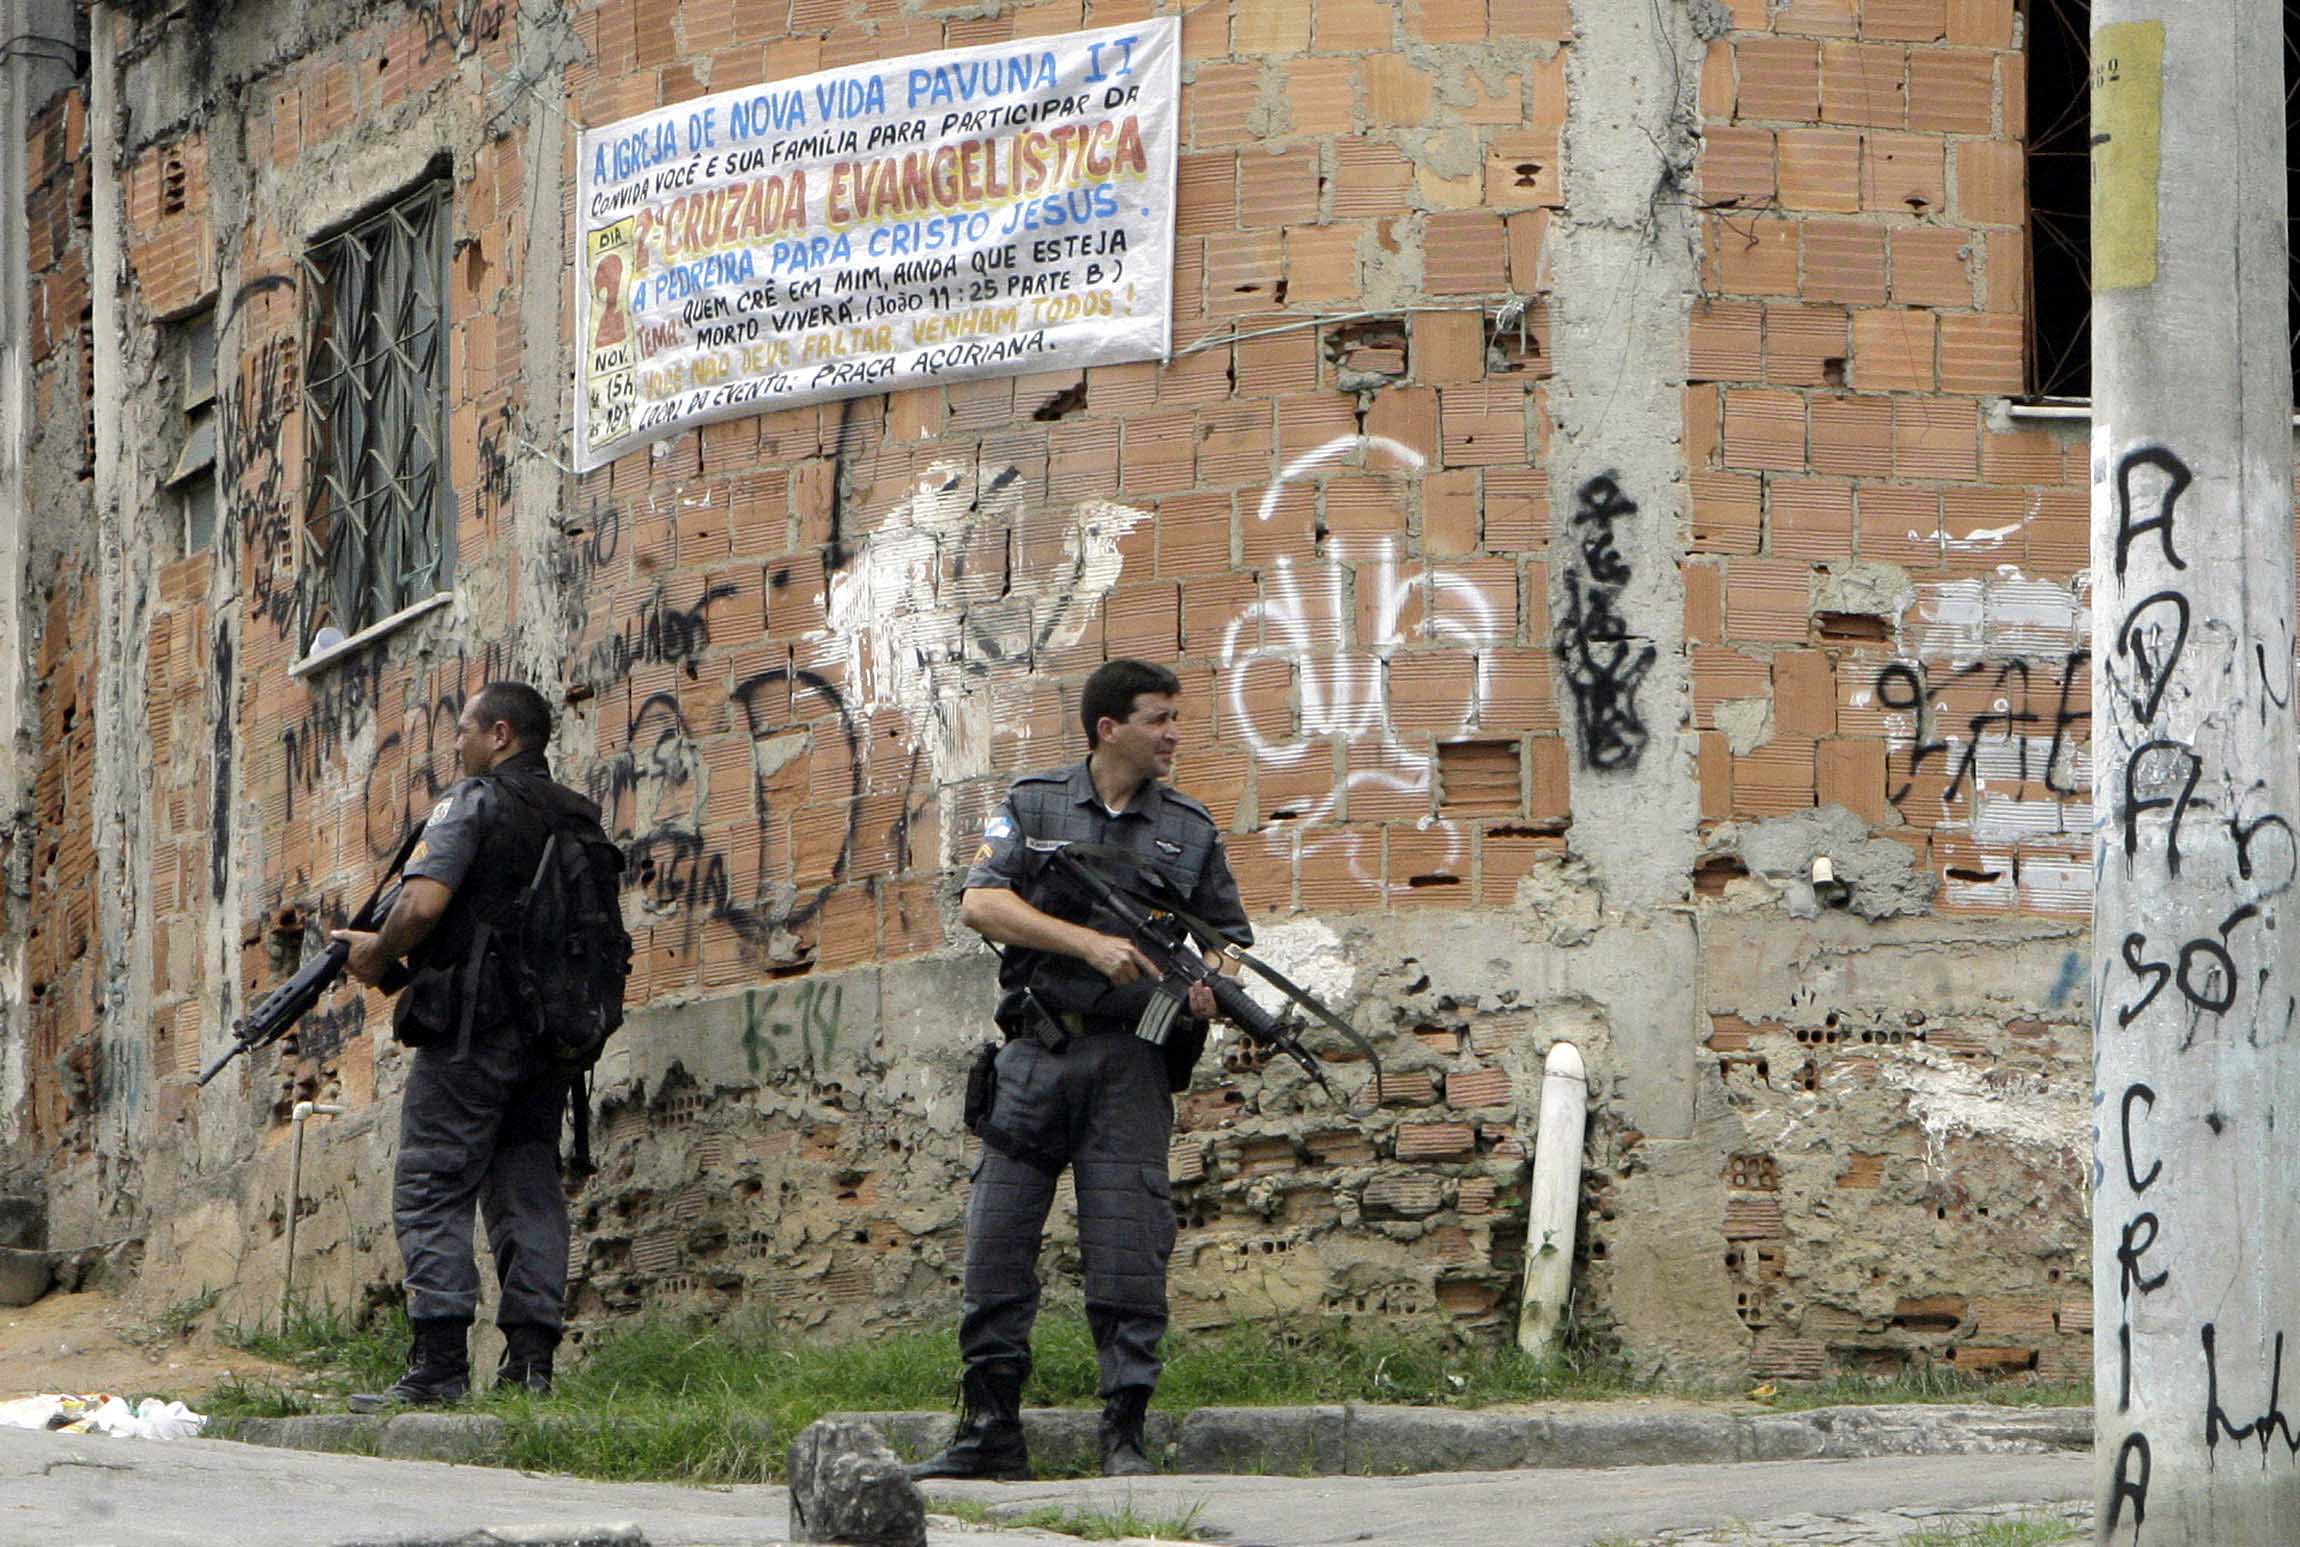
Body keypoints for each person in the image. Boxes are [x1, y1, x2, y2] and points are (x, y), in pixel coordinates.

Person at [910, 658, 1250, 1481]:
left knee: (1128, 1246)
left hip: (1130, 1061)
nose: (1174, 733)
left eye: (1176, 717)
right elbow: (982, 902)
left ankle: (1123, 1433)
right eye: (1159, 718)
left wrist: (1214, 985)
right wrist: (1088, 943)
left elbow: (1227, 939)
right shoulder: (1036, 804)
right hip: (1034, 1055)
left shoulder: (1190, 828)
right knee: (996, 1243)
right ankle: (991, 1429)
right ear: (1110, 728)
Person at [337, 681, 599, 1408]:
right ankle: (531, 1366)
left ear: (502, 734)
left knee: (429, 1183)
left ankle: (439, 1364)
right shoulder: (577, 814)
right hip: (553, 1041)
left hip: (471, 1033)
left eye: (466, 732)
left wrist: (376, 953)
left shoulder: (473, 802)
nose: (457, 745)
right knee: (528, 1187)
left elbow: (422, 902)